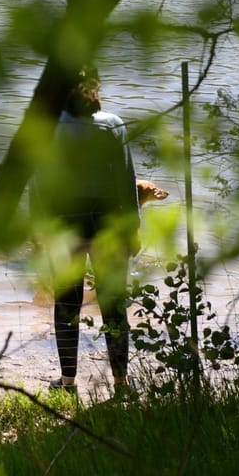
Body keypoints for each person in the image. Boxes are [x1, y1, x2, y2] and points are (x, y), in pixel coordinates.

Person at [32, 74, 142, 397]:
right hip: (107, 223)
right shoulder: (113, 125)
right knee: (112, 300)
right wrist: (133, 227)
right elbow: (126, 179)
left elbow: (39, 183)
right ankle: (121, 384)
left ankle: (67, 383)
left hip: (66, 224)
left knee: (67, 303)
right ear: (96, 90)